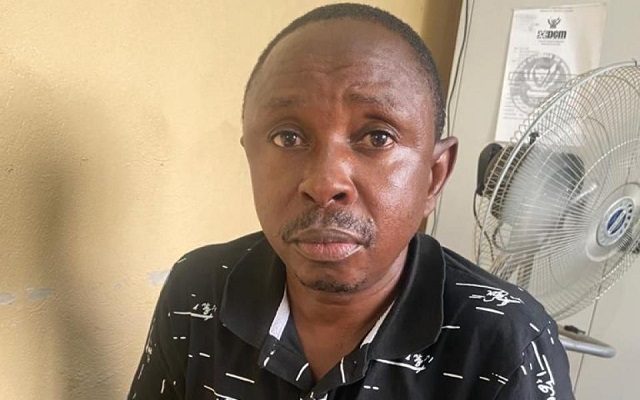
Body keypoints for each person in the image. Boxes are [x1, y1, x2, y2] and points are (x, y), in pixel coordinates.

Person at [128, 3, 574, 399]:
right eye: (287, 137)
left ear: (434, 176)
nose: (325, 184)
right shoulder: (198, 290)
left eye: (377, 137)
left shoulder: (507, 344)